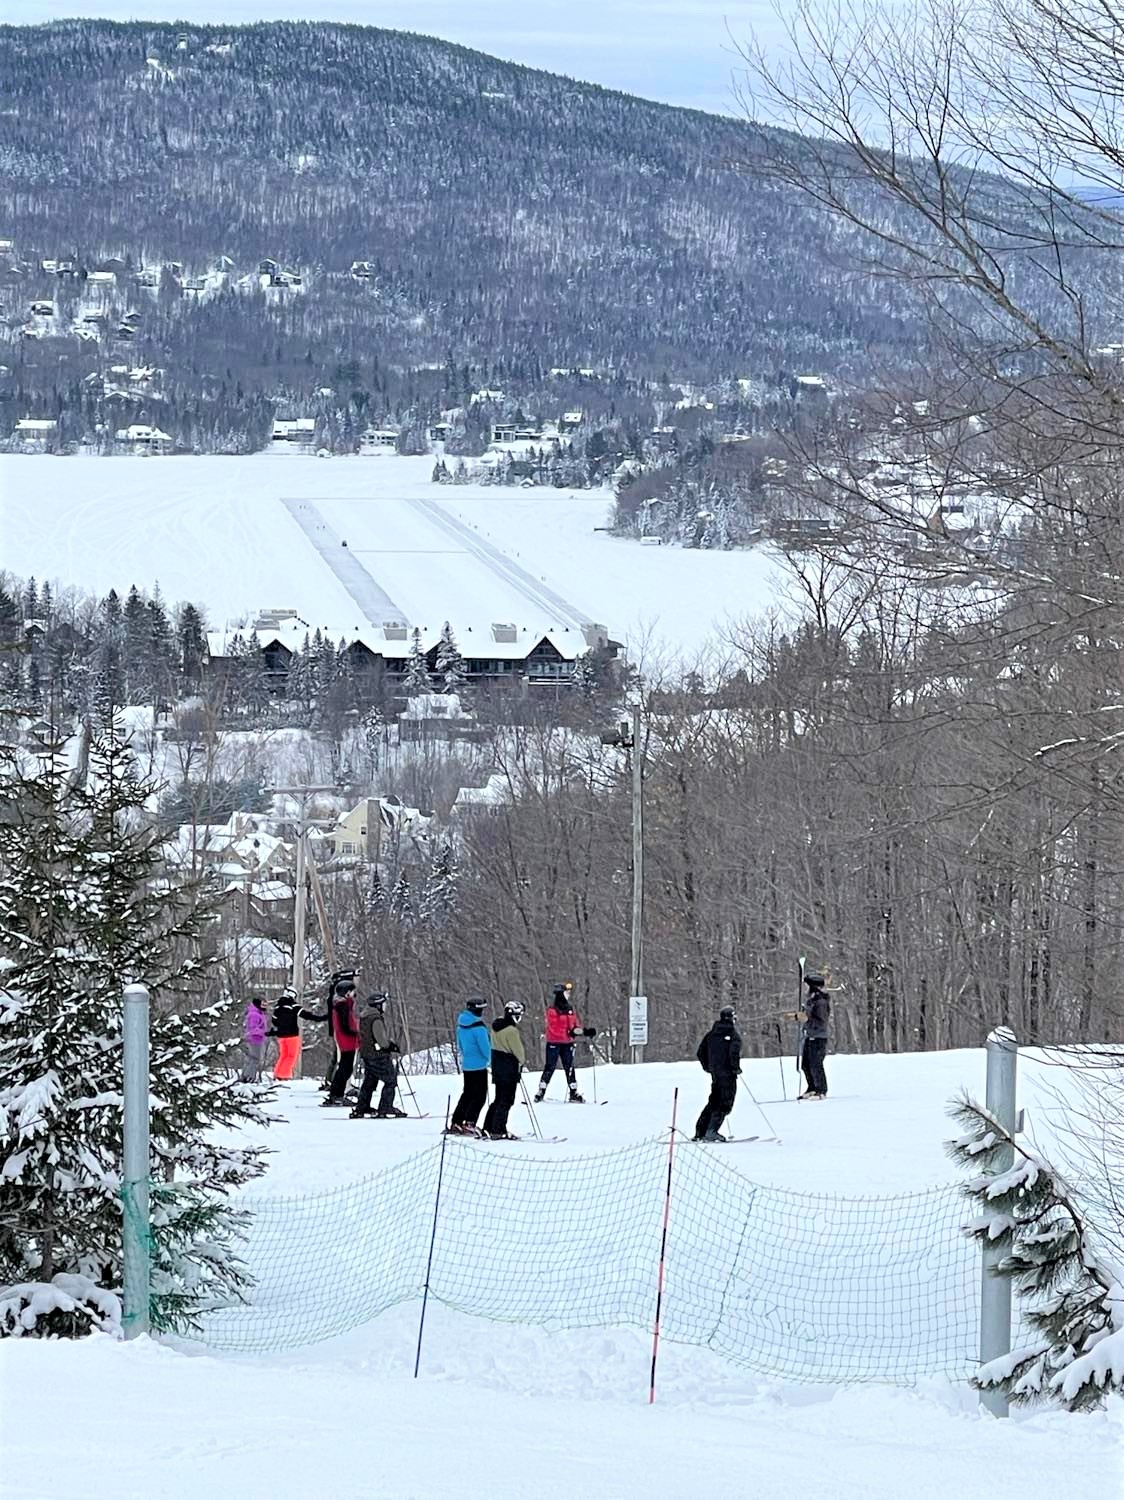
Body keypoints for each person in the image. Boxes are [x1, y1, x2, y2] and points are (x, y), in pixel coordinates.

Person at [533, 981, 597, 1103]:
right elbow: (554, 1027)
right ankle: (541, 1090)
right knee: (550, 1066)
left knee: (570, 1066)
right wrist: (570, 1032)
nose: (568, 995)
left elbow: (574, 1025)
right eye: (566, 992)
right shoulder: (552, 1010)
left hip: (567, 1043)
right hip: (554, 1042)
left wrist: (584, 1031)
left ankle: (573, 1092)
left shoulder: (570, 1009)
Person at [351, 993, 407, 1118]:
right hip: (378, 1055)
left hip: (366, 1053)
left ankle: (362, 1106)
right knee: (390, 1080)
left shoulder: (365, 1016)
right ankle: (386, 1107)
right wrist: (389, 1046)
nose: (385, 1007)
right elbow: (380, 1038)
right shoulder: (375, 1018)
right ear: (378, 1005)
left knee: (370, 1081)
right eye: (383, 1004)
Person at [693, 1005, 742, 1141]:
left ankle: (700, 1131)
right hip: (728, 1075)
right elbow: (733, 1054)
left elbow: (700, 1052)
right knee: (724, 1103)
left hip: (715, 1074)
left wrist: (709, 1067)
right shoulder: (733, 1035)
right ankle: (712, 1130)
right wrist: (735, 1068)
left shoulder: (711, 1034)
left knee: (713, 1101)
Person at [482, 1000, 526, 1139]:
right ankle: (498, 1129)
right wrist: (521, 1061)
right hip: (509, 1067)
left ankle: (488, 1127)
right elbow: (518, 1051)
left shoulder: (496, 1026)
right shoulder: (511, 1030)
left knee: (498, 1098)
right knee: (506, 1100)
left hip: (497, 1065)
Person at [450, 996, 491, 1135]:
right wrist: (491, 1061)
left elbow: (460, 1046)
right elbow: (485, 1048)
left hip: (467, 1065)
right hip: (479, 1066)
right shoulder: (479, 1027)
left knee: (467, 1094)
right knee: (479, 1096)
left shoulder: (461, 1025)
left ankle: (456, 1121)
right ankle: (470, 1122)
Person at [321, 977, 360, 1106]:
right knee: (345, 1068)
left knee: (345, 1068)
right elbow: (345, 1025)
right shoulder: (342, 1006)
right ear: (347, 992)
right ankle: (336, 1094)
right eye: (352, 991)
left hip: (347, 1040)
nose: (354, 994)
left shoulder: (344, 1004)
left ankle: (337, 1093)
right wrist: (355, 1033)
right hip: (347, 1040)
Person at [795, 973, 831, 1099]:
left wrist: (807, 1019)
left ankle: (821, 1089)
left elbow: (822, 1021)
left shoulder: (820, 1002)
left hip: (818, 1037)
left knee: (816, 1064)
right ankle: (812, 1087)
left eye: (806, 985)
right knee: (805, 1064)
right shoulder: (810, 1000)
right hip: (809, 1035)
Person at [269, 987, 302, 1081]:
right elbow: (304, 1014)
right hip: (292, 1035)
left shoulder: (278, 1006)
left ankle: (277, 1073)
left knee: (283, 1055)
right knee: (291, 1055)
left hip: (281, 1035)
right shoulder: (293, 1006)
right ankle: (284, 1075)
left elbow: (274, 1021)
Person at [241, 996, 269, 1082]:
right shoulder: (254, 1015)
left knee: (251, 1059)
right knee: (254, 1058)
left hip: (257, 1039)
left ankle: (246, 1076)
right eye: (263, 1005)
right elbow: (253, 1029)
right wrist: (263, 1032)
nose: (265, 1007)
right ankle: (249, 1077)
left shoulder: (259, 1013)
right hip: (254, 1039)